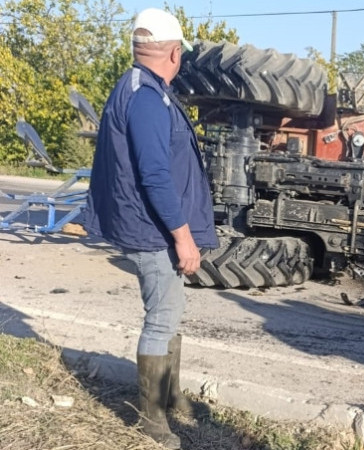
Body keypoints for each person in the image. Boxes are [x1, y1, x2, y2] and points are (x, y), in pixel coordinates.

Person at [83, 7, 218, 449]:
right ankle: (152, 420)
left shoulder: (141, 88)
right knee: (161, 319)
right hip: (153, 230)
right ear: (174, 53)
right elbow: (155, 176)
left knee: (170, 311)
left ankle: (170, 397)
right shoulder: (146, 98)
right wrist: (184, 237)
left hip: (151, 225)